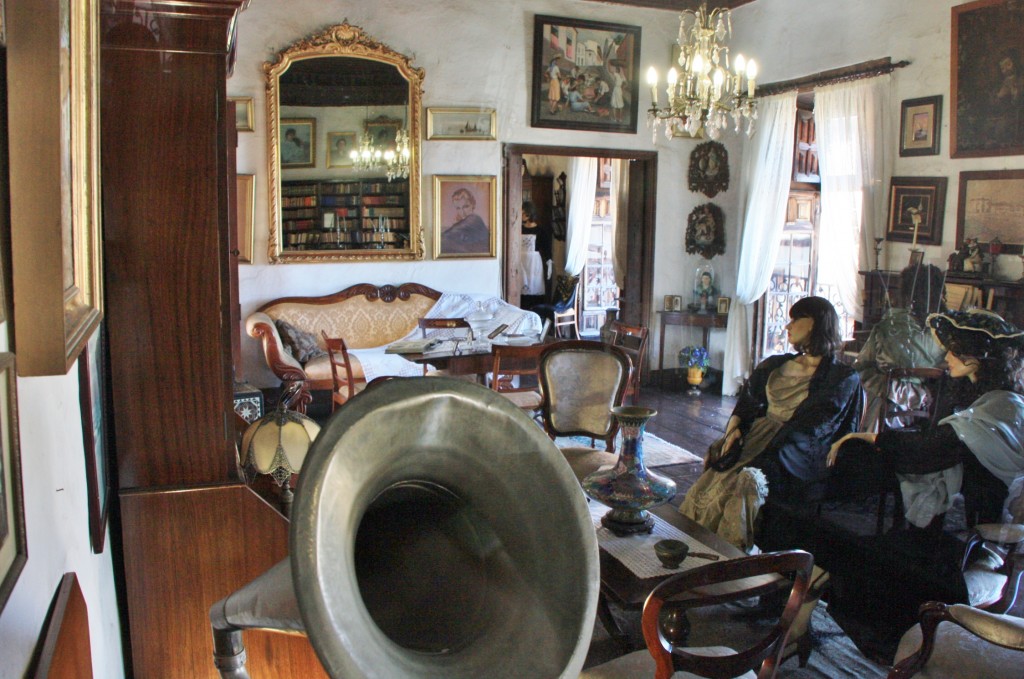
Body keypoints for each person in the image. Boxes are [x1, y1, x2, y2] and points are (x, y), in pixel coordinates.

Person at [679, 296, 863, 551]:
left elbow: (814, 425)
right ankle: (692, 549)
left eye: (796, 319)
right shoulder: (776, 364)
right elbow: (746, 404)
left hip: (794, 450)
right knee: (712, 481)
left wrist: (763, 456)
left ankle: (727, 560)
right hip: (757, 436)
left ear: (815, 324)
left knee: (747, 479)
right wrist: (734, 430)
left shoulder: (841, 377)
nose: (788, 327)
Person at [830, 309, 1024, 529]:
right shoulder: (969, 389)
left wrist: (870, 437)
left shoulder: (1002, 402)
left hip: (986, 483)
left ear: (978, 357)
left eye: (955, 351)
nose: (947, 357)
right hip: (956, 463)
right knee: (883, 457)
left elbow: (938, 445)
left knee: (882, 457)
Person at [853, 264, 947, 433]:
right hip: (931, 408)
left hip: (887, 409)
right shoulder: (947, 330)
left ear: (905, 293)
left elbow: (862, 364)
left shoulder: (889, 325)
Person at [440, 188, 490, 255]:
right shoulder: (464, 222)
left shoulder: (474, 219)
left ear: (473, 205)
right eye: (458, 208)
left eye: (466, 206)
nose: (462, 212)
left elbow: (447, 236)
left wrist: (456, 224)